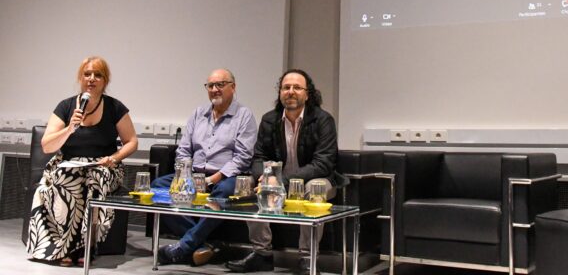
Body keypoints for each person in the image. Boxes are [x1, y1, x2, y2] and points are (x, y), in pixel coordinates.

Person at [226, 69, 346, 273]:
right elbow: (258, 157)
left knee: (314, 187)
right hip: (276, 182)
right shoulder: (269, 119)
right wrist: (264, 177)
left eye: (297, 87)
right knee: (248, 184)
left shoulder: (323, 120)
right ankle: (261, 254)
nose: (291, 92)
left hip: (316, 180)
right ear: (280, 92)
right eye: (286, 87)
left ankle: (307, 258)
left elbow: (323, 164)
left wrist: (280, 179)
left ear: (307, 94)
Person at [27, 56, 138, 267]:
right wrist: (70, 128)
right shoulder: (66, 106)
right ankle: (64, 246)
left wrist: (114, 158)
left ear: (105, 81)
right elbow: (47, 146)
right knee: (65, 177)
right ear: (80, 78)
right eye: (87, 74)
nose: (92, 79)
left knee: (95, 177)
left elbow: (132, 141)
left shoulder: (115, 107)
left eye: (98, 75)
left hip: (104, 165)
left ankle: (87, 245)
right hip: (70, 164)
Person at [154, 68, 257, 266]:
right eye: (210, 85)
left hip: (226, 177)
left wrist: (212, 179)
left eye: (220, 84)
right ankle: (204, 245)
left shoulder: (244, 116)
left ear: (233, 87)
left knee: (224, 191)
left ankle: (185, 246)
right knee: (158, 187)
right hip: (194, 174)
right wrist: (185, 176)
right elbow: (183, 150)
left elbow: (242, 158)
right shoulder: (198, 113)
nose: (215, 89)